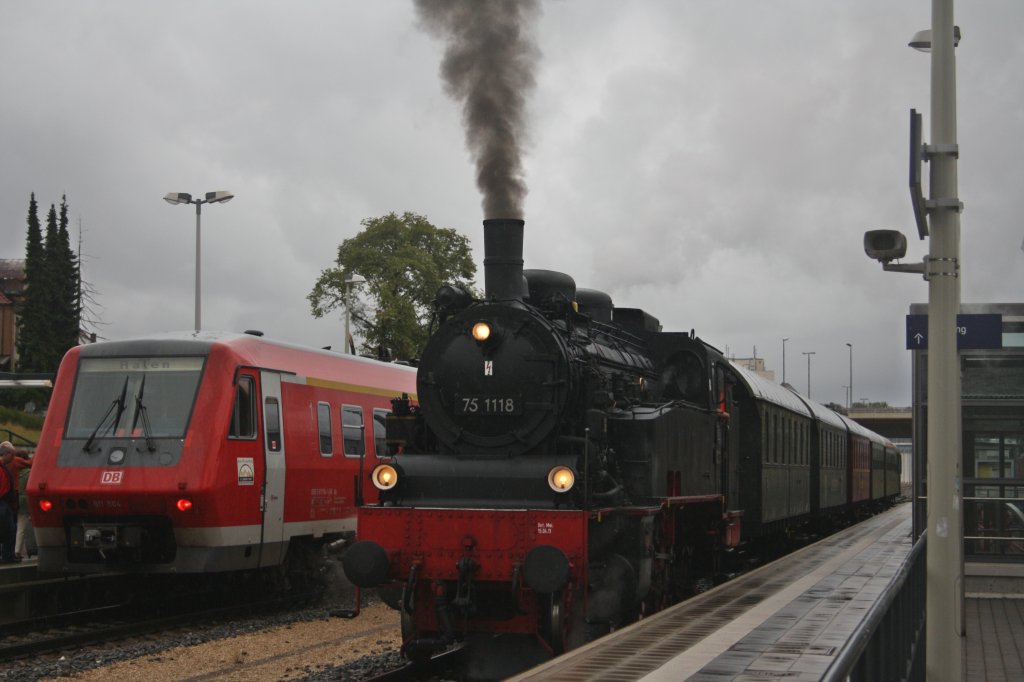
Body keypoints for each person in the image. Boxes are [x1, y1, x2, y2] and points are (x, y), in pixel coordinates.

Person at [0, 443, 18, 563]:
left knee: (9, 529)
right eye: (12, 455)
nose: (13, 458)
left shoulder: (3, 467)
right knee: (9, 530)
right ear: (7, 454)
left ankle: (8, 556)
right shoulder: (1, 468)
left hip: (5, 503)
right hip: (3, 503)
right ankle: (8, 556)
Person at [15, 449, 33, 559]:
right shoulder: (29, 473)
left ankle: (18, 550)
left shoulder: (11, 470)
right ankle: (17, 550)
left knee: (13, 526)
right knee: (21, 527)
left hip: (12, 499)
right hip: (24, 501)